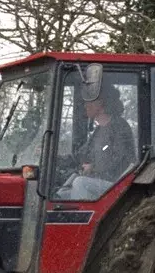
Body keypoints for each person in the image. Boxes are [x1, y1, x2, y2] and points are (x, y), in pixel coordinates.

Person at [57, 66, 136, 200]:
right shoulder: (98, 131)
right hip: (99, 183)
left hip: (116, 186)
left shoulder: (120, 128)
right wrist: (54, 158)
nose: (85, 105)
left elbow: (121, 162)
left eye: (89, 100)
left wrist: (93, 169)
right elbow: (79, 156)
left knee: (80, 183)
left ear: (101, 102)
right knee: (60, 196)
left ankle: (80, 219)